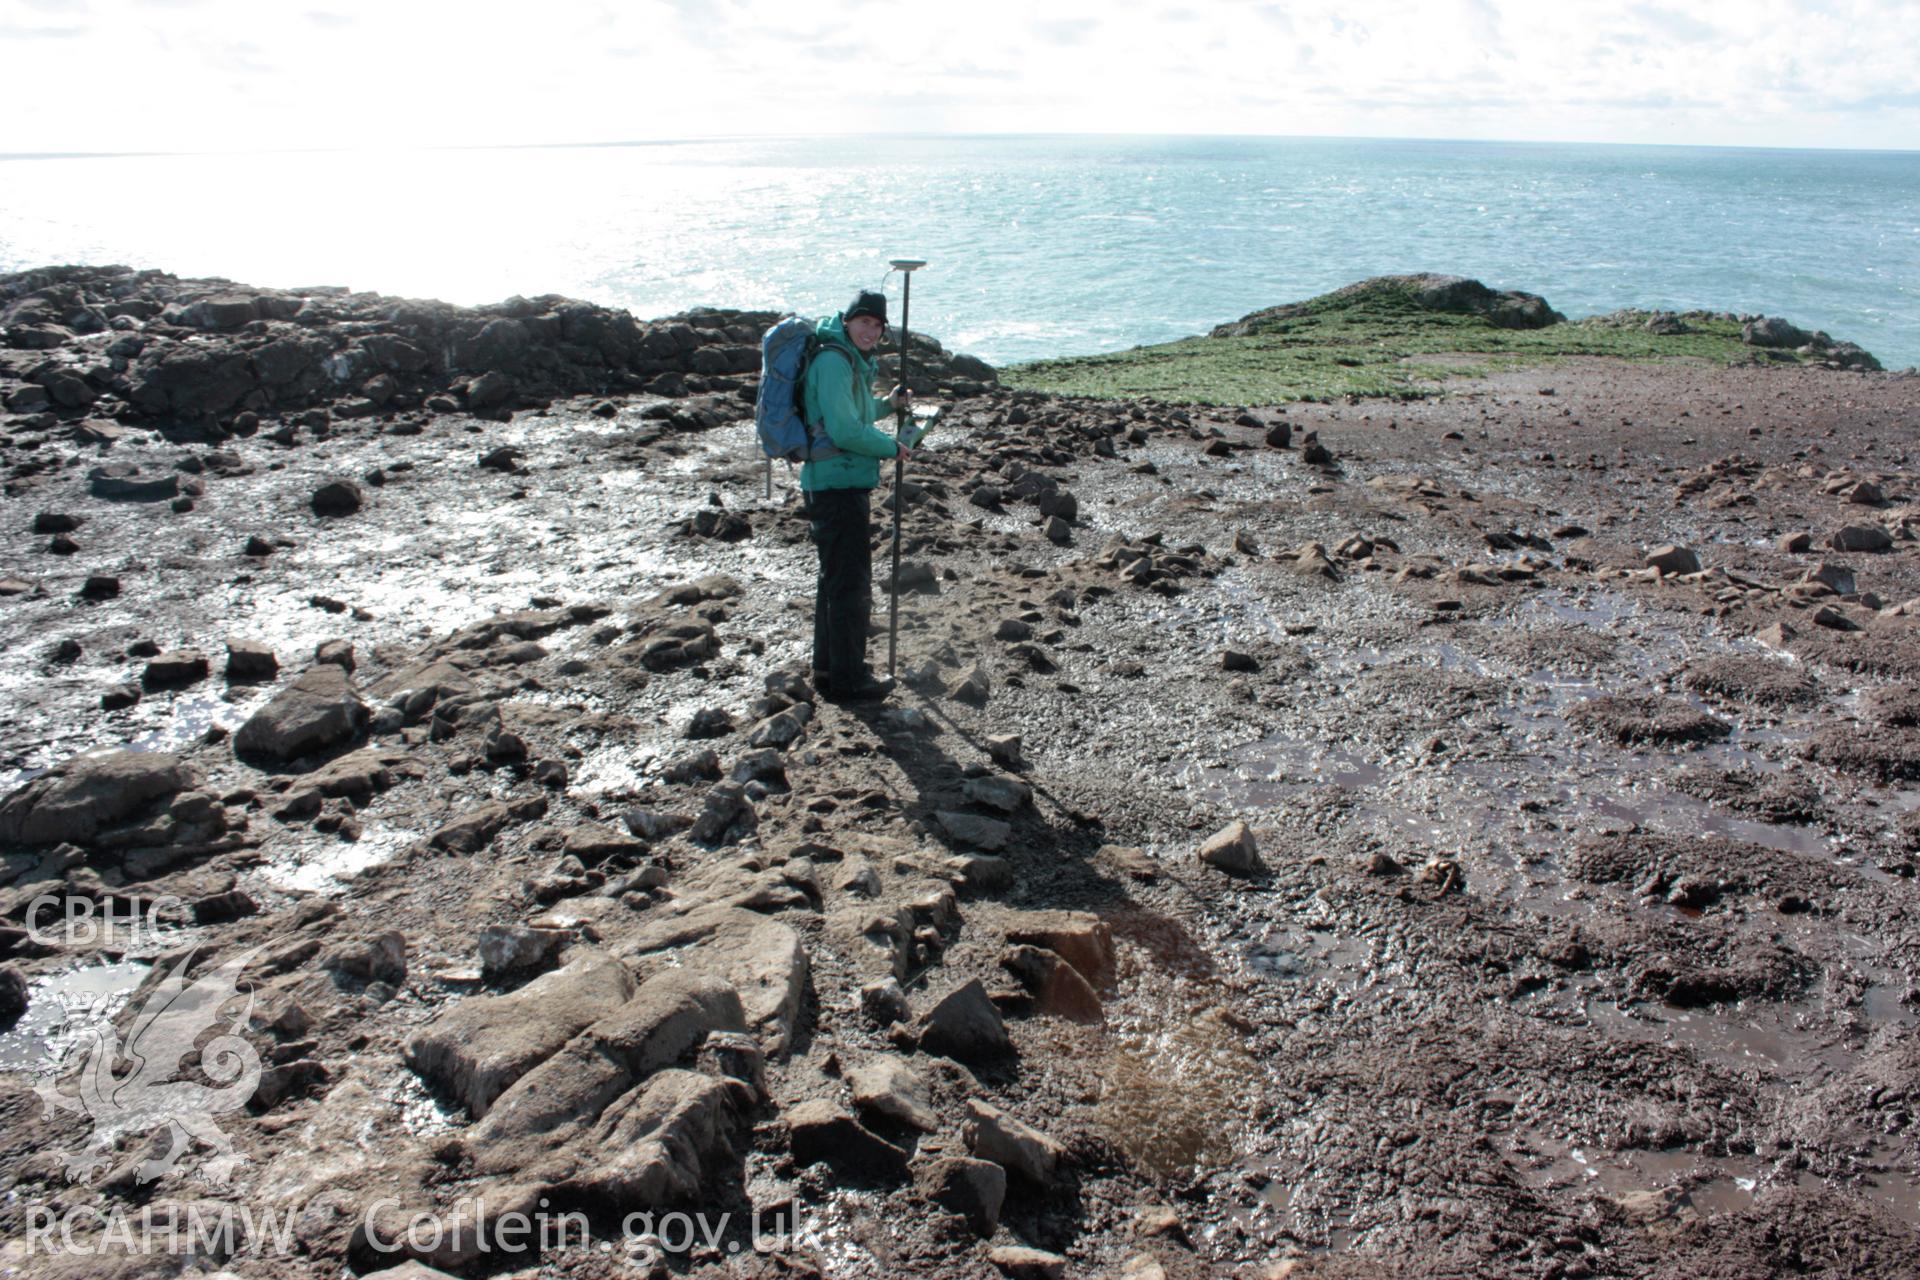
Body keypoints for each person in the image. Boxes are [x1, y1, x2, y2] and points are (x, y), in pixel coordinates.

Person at [801, 288, 913, 703]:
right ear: (847, 321)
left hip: (837, 480)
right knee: (850, 585)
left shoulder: (846, 359)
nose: (871, 330)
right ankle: (851, 680)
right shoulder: (834, 361)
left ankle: (829, 670)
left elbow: (853, 416)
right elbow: (846, 431)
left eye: (878, 325)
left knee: (834, 581)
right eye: (864, 321)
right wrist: (891, 447)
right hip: (836, 482)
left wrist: (887, 404)